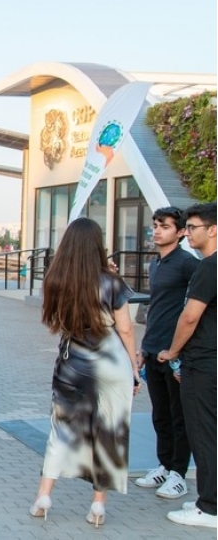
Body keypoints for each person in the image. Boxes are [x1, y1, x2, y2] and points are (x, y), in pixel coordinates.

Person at [30, 217, 139, 528]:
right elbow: (126, 330)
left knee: (61, 430)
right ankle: (98, 505)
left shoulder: (55, 279)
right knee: (109, 432)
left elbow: (53, 321)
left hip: (72, 363)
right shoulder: (112, 283)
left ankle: (43, 497)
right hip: (111, 362)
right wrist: (134, 368)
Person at [157, 202, 217, 529]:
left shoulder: (208, 267)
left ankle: (210, 508)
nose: (188, 233)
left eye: (193, 228)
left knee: (204, 434)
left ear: (213, 230)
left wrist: (173, 352)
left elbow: (190, 316)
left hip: (204, 364)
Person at [134, 207, 198, 499]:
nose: (157, 231)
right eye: (156, 225)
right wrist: (143, 347)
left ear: (181, 232)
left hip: (175, 353)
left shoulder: (188, 264)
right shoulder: (155, 264)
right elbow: (156, 307)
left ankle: (178, 474)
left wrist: (179, 351)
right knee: (159, 414)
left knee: (178, 416)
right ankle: (164, 465)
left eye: (165, 226)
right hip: (152, 349)